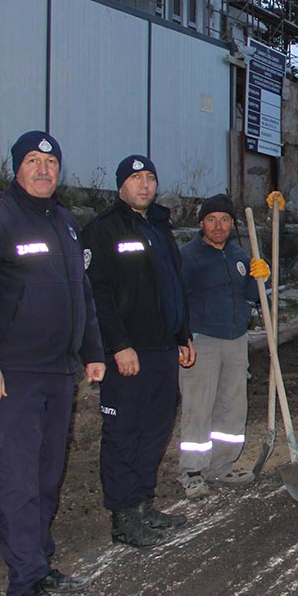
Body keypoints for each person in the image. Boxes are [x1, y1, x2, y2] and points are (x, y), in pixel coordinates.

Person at [0, 130, 106, 596]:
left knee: (45, 476)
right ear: (16, 166)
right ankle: (25, 583)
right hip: (11, 374)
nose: (44, 170)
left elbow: (81, 293)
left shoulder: (64, 221)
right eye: (34, 162)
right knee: (16, 478)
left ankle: (40, 563)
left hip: (58, 372)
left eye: (52, 163)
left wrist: (92, 349)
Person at [81, 155, 195, 547]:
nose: (144, 185)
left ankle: (143, 503)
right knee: (124, 431)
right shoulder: (103, 230)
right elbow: (97, 294)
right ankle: (122, 516)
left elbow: (172, 284)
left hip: (163, 347)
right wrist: (118, 345)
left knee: (155, 428)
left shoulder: (159, 226)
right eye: (135, 179)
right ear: (120, 187)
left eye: (149, 177)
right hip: (128, 352)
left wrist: (182, 335)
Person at [176, 194, 269, 497]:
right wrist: (181, 337)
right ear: (201, 222)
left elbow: (255, 299)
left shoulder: (240, 255)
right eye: (212, 220)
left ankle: (222, 465)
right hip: (202, 340)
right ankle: (192, 471)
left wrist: (261, 279)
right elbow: (175, 300)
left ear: (232, 223)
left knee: (232, 405)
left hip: (236, 339)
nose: (219, 226)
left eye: (225, 220)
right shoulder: (188, 257)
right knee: (198, 406)